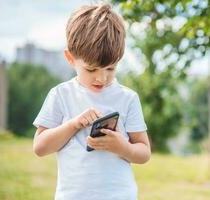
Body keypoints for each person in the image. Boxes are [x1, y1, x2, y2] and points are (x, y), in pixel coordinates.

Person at [33, 3, 151, 200]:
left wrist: (123, 147)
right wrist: (73, 124)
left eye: (111, 69)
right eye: (91, 70)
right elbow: (40, 147)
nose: (102, 78)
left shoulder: (128, 98)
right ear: (70, 58)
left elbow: (144, 152)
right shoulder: (61, 95)